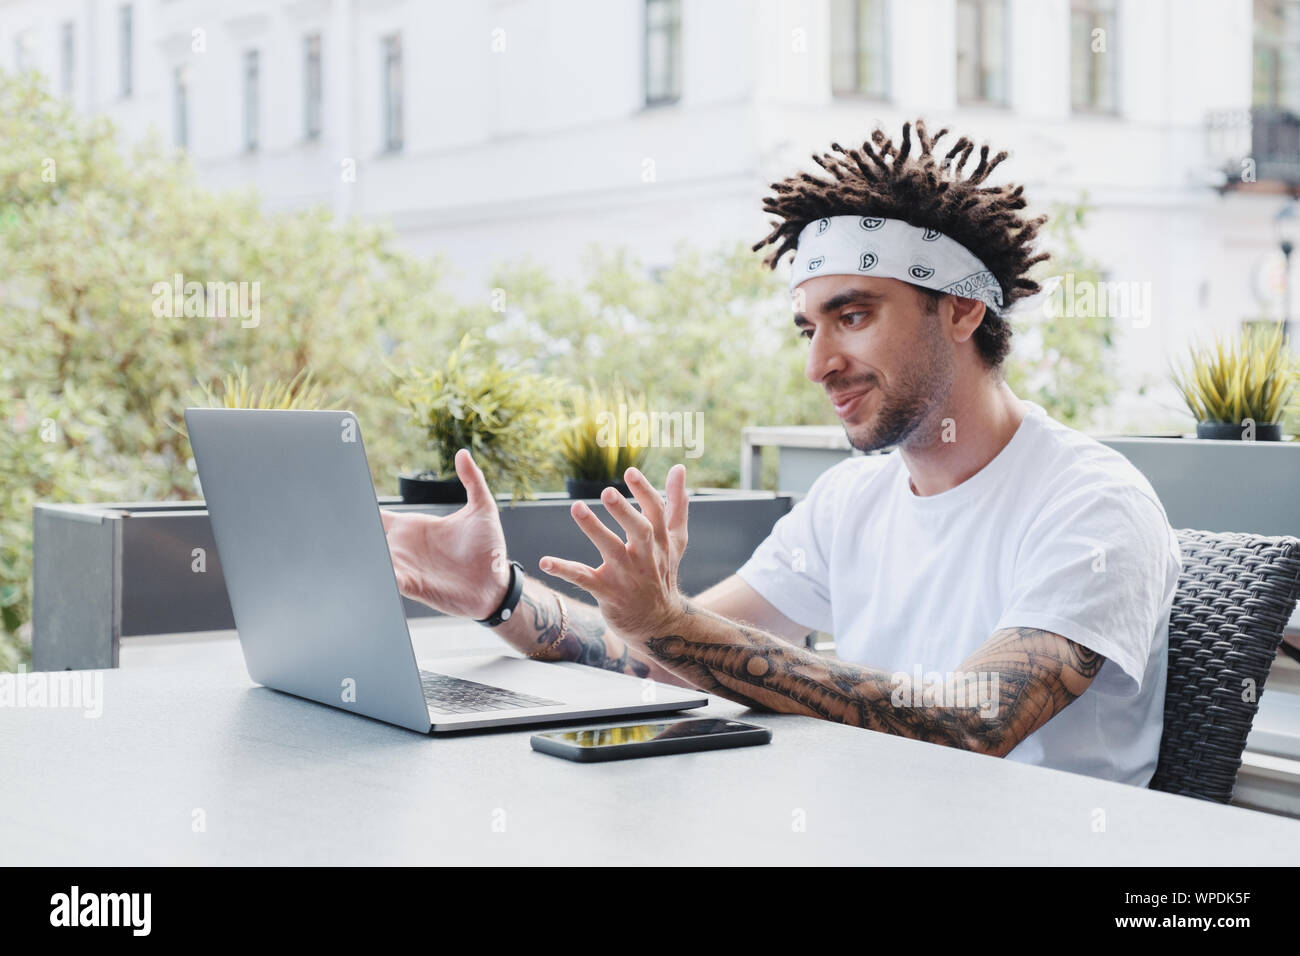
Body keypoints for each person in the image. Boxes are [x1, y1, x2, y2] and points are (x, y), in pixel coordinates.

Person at [381, 118, 1180, 787]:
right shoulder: (849, 501)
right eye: (809, 328)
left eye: (854, 316)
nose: (818, 362)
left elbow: (975, 720)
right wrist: (499, 596)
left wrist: (677, 624)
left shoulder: (1092, 504)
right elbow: (661, 654)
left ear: (963, 310)